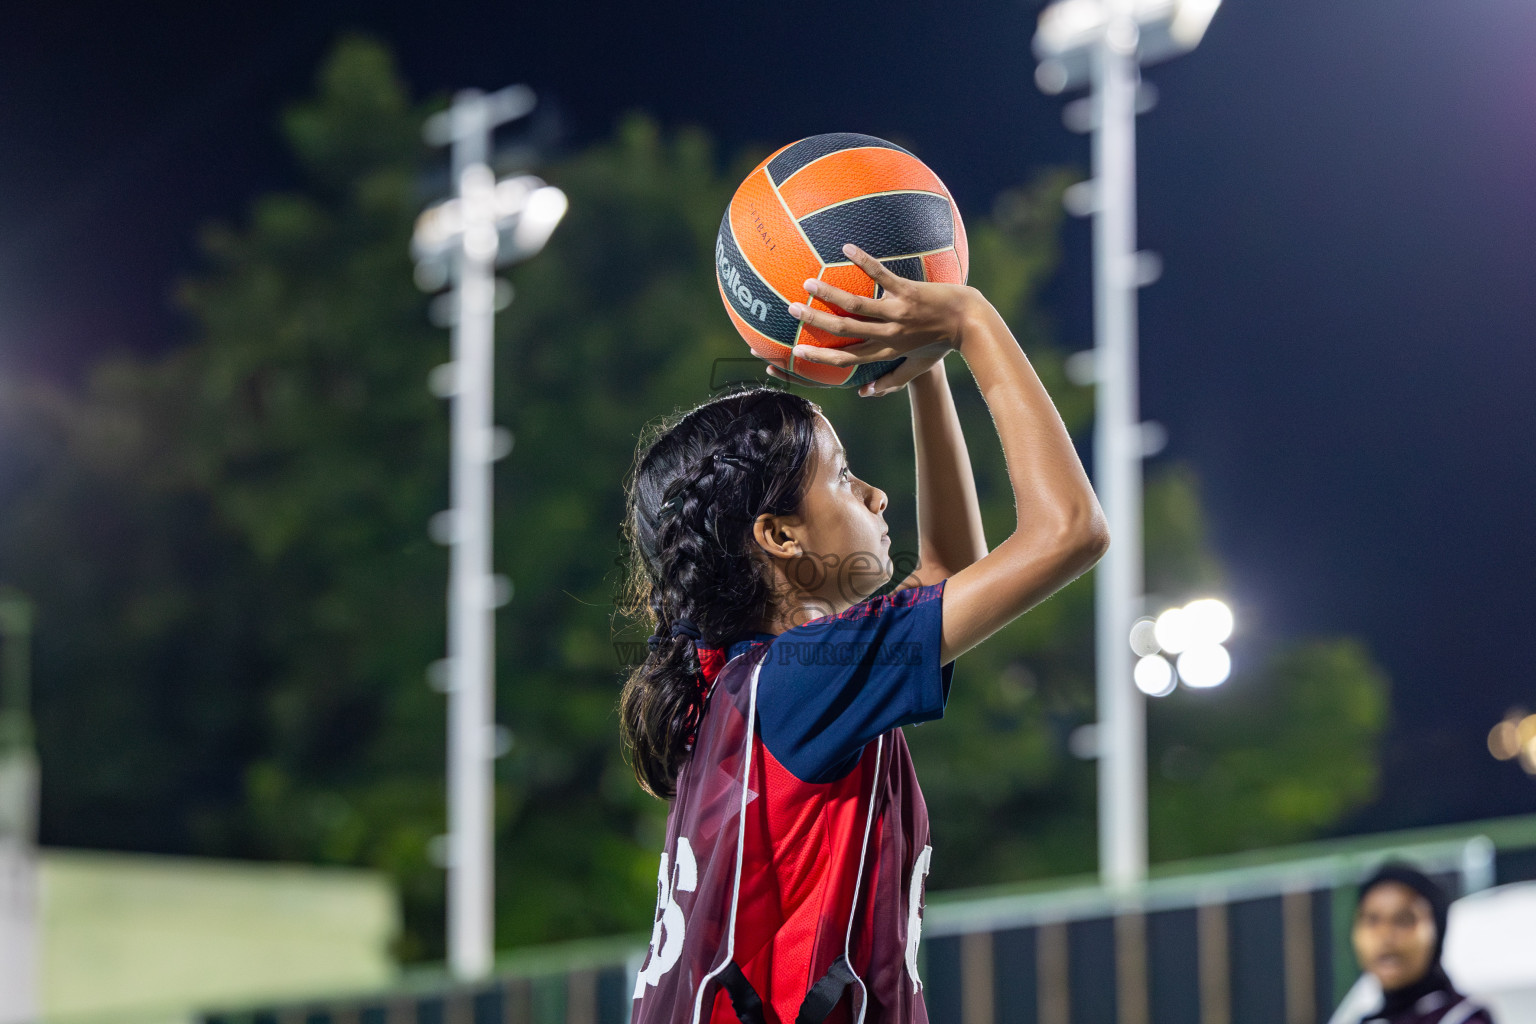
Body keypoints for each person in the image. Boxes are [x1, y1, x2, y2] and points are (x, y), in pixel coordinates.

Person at [618, 242, 1107, 1024]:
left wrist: (928, 369)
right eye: (843, 476)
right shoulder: (801, 679)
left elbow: (949, 570)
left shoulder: (750, 683)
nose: (878, 498)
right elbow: (1071, 531)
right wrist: (970, 320)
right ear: (779, 536)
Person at [1349, 862, 1494, 1024]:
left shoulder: (1463, 1019)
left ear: (1437, 931)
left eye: (1403, 920)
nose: (1386, 936)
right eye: (1372, 920)